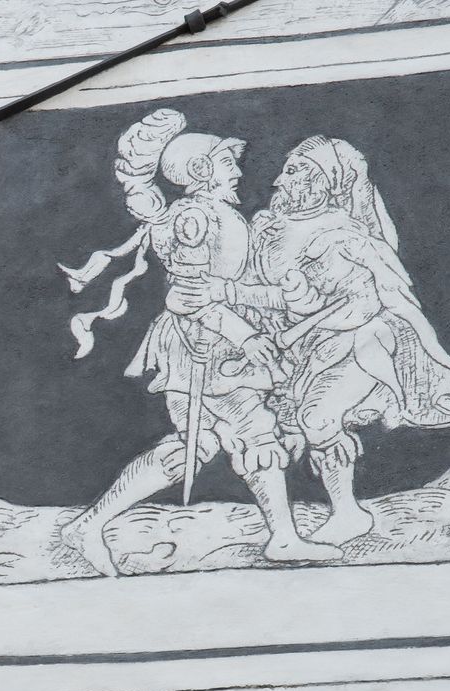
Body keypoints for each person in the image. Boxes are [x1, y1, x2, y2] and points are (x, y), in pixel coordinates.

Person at [213, 136, 450, 548]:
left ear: (324, 181)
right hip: (301, 348)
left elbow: (360, 303)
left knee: (318, 418)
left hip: (358, 342)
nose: (280, 180)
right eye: (286, 169)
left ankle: (347, 514)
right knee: (294, 420)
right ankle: (346, 513)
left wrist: (283, 314)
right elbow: (265, 289)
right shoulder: (266, 225)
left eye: (294, 171)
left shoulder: (340, 235)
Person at [61, 109, 341, 576]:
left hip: (216, 344)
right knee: (255, 432)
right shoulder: (194, 218)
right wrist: (245, 335)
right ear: (200, 170)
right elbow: (187, 298)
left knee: (200, 443)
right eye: (228, 163)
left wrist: (283, 299)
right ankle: (283, 539)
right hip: (201, 346)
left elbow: (224, 288)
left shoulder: (218, 214)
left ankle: (88, 524)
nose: (238, 172)